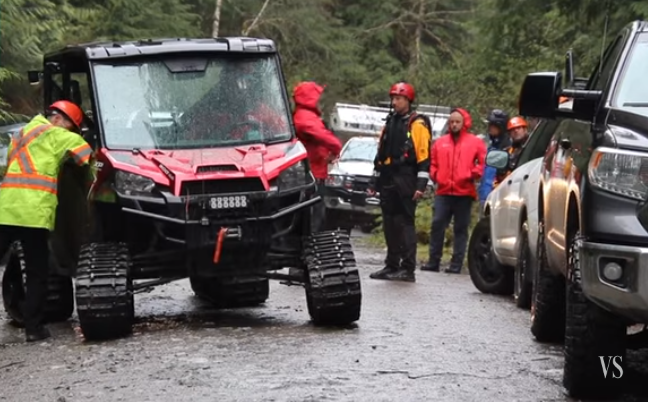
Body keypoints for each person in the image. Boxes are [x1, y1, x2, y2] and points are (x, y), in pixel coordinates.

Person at [0, 100, 94, 342]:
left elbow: (12, 164)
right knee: (37, 272)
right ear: (58, 120)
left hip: (6, 209)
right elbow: (87, 157)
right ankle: (33, 329)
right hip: (34, 213)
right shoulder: (57, 135)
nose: (70, 132)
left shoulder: (21, 134)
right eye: (71, 127)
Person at [367, 82, 431, 283]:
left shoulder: (417, 124)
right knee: (390, 223)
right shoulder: (391, 122)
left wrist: (420, 186)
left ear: (408, 101)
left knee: (404, 223)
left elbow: (423, 156)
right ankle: (392, 264)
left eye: (398, 98)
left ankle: (407, 268)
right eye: (393, 98)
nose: (394, 102)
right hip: (388, 178)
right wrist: (374, 180)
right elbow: (381, 154)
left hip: (406, 178)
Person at [421, 108, 486, 274]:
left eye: (457, 122)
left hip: (464, 192)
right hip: (443, 191)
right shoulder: (440, 142)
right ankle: (433, 261)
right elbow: (433, 163)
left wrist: (472, 174)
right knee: (437, 225)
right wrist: (435, 175)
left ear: (464, 123)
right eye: (451, 122)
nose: (454, 125)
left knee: (460, 228)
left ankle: (456, 264)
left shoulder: (475, 142)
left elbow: (483, 162)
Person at [292, 81, 342, 232]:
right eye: (317, 96)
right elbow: (327, 138)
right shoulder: (306, 118)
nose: (320, 100)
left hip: (313, 171)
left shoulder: (304, 115)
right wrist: (335, 149)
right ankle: (310, 247)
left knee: (314, 214)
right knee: (313, 217)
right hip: (311, 174)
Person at [477, 109, 511, 216]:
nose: (489, 128)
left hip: (497, 195)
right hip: (485, 194)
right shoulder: (490, 145)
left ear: (500, 127)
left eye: (492, 125)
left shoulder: (507, 148)